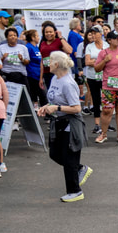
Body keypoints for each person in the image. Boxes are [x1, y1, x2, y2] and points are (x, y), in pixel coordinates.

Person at [38, 51, 90, 202]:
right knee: (54, 153)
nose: (47, 62)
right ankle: (80, 168)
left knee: (69, 158)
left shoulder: (68, 83)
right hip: (59, 122)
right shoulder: (55, 78)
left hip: (71, 124)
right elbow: (55, 99)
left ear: (56, 64)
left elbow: (77, 108)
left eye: (50, 60)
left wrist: (56, 108)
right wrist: (47, 106)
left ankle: (75, 191)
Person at [92, 31, 118, 145]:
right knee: (106, 110)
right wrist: (105, 60)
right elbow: (97, 69)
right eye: (115, 38)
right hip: (108, 86)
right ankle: (103, 134)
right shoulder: (103, 53)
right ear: (109, 40)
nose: (117, 40)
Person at [80, 26, 105, 134]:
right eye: (92, 33)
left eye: (95, 33)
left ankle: (106, 123)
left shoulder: (106, 45)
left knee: (106, 100)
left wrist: (95, 61)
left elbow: (110, 61)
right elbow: (87, 62)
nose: (93, 35)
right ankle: (97, 124)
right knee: (95, 100)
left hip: (105, 76)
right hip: (92, 76)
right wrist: (102, 61)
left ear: (100, 34)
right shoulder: (89, 46)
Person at [22, 29, 44, 108]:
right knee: (39, 93)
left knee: (40, 93)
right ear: (32, 37)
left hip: (38, 73)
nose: (38, 38)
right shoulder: (28, 47)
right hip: (32, 74)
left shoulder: (36, 47)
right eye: (37, 36)